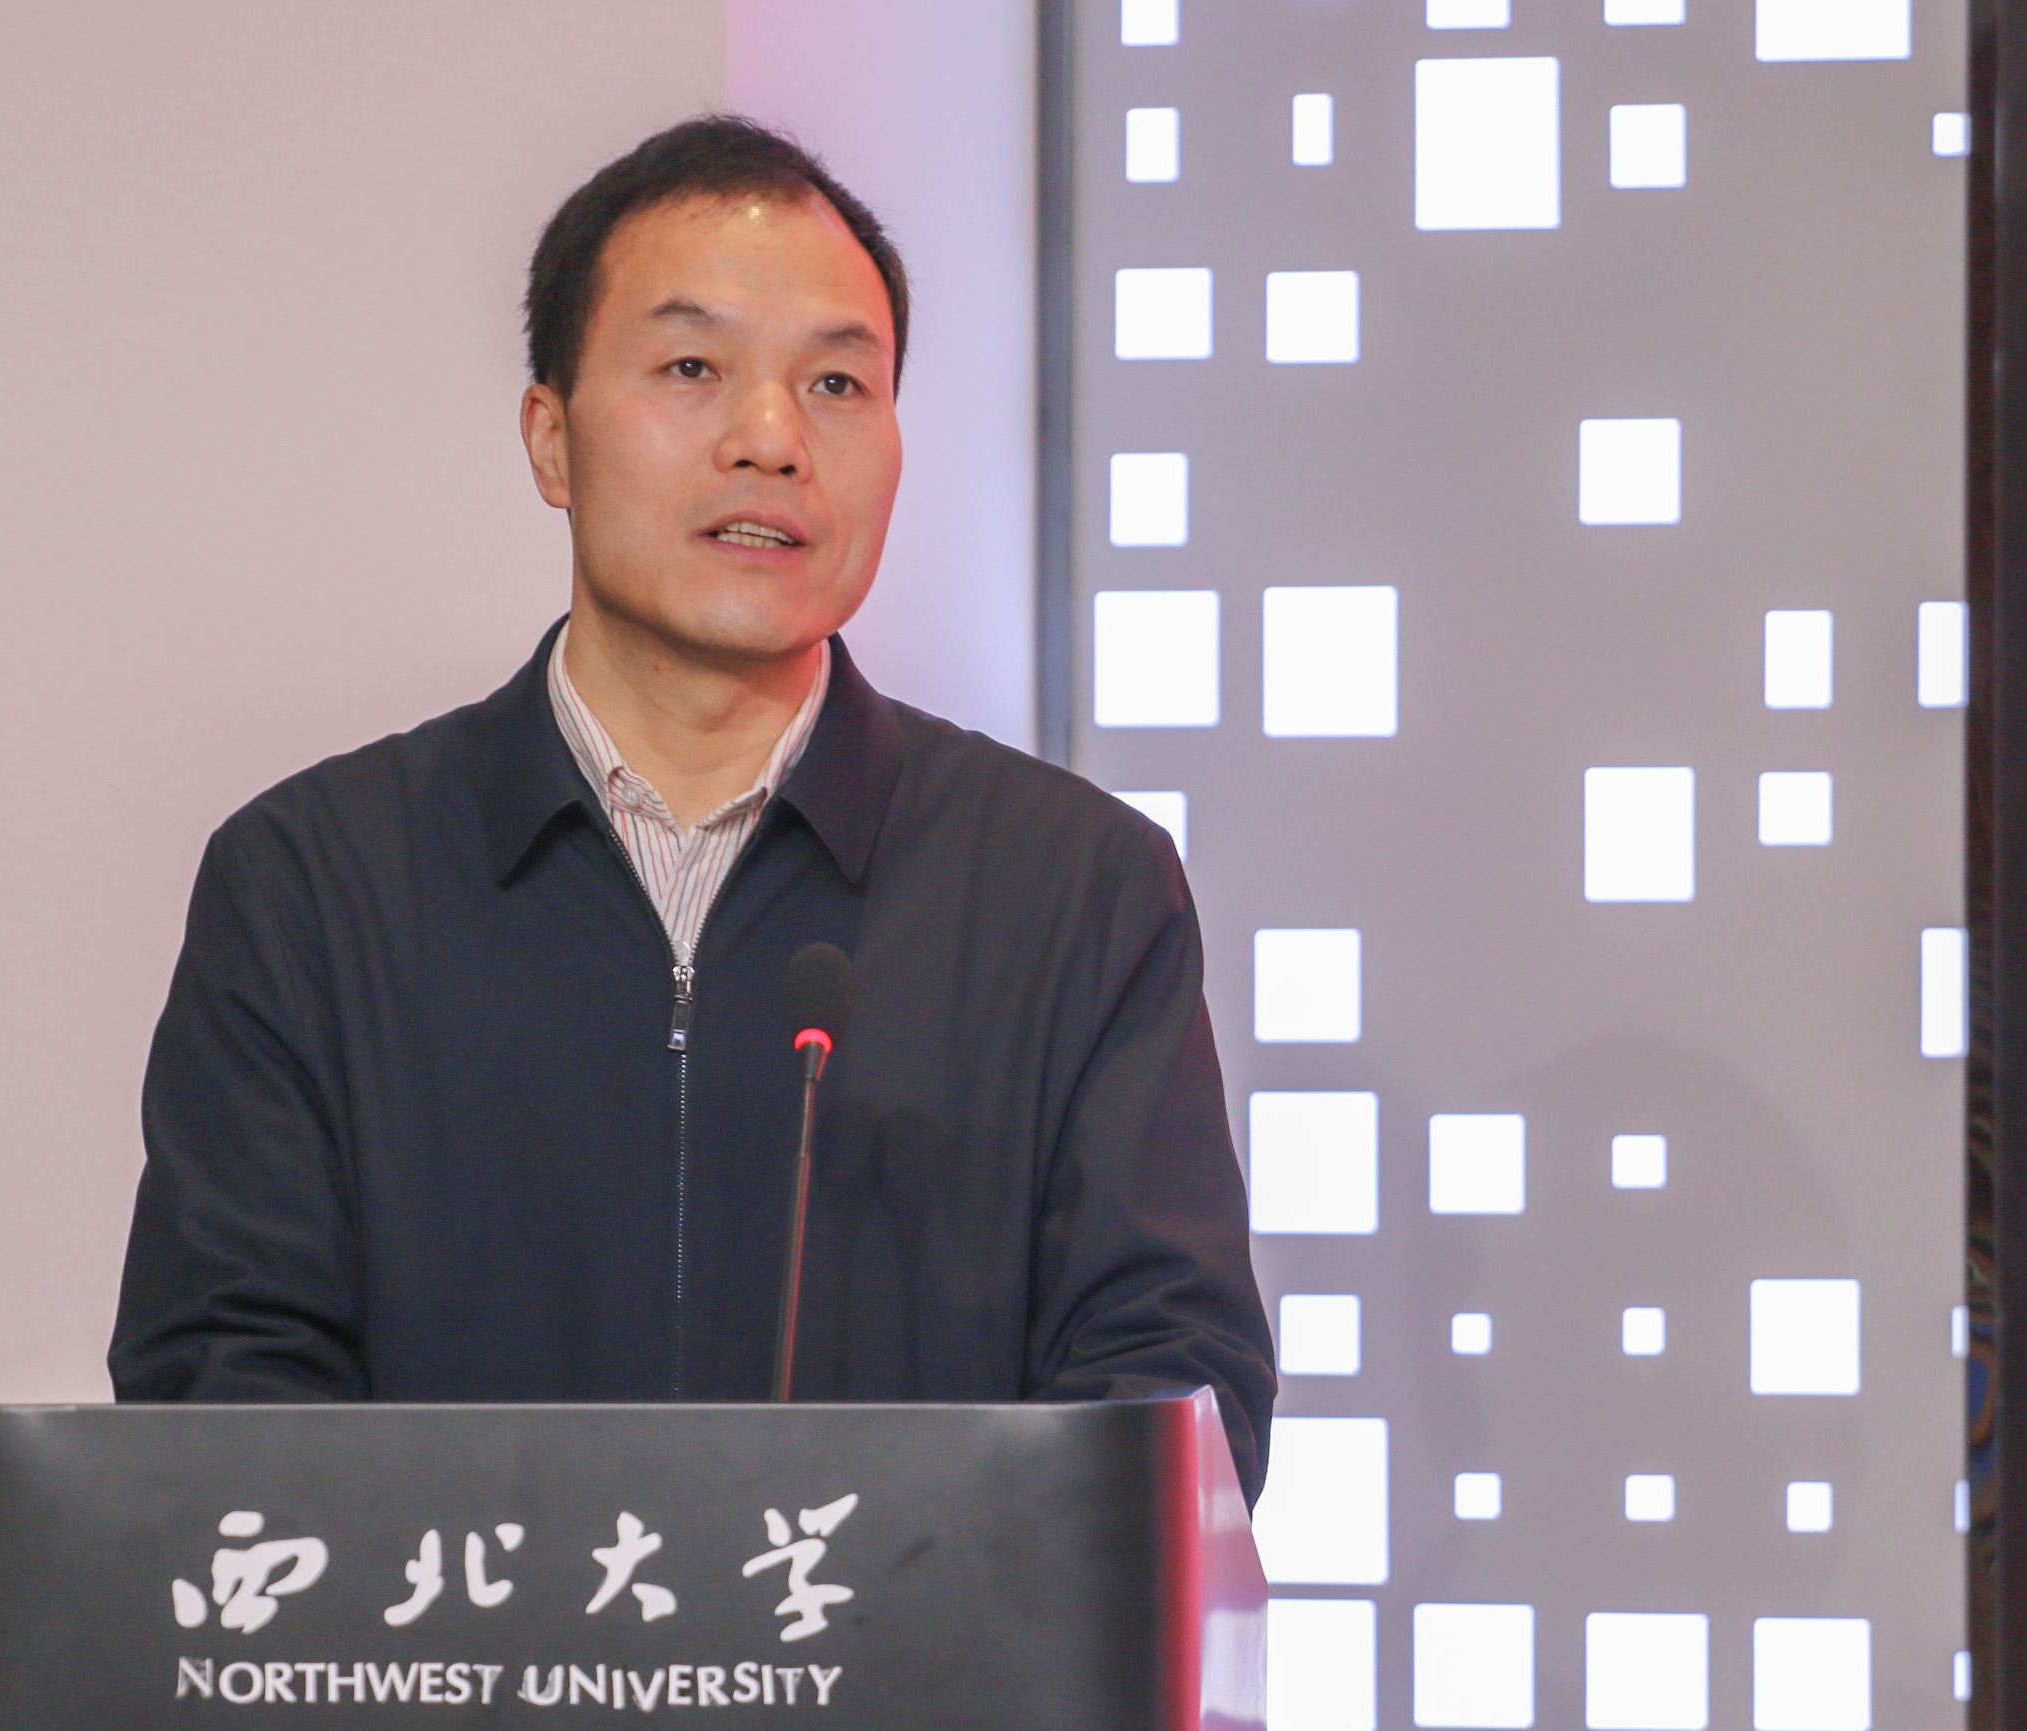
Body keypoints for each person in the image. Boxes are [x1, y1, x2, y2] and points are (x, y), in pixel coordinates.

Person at [108, 116, 1276, 1498]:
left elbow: (1166, 1388)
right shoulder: (314, 886)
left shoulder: (1073, 889)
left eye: (837, 383)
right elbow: (223, 1390)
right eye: (691, 368)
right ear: (552, 439)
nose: (771, 439)